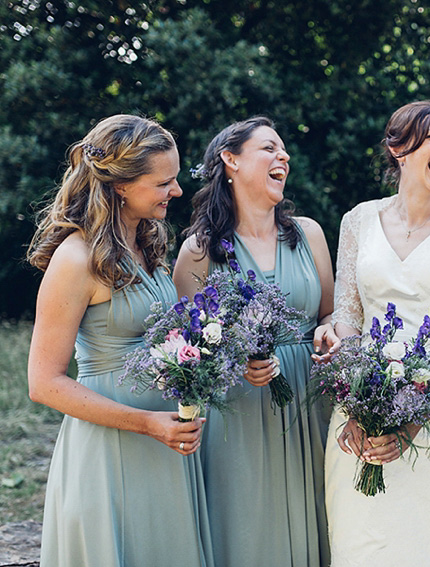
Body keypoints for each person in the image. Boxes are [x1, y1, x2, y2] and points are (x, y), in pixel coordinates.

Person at [27, 114, 213, 566]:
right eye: (163, 182)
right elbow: (44, 382)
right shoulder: (76, 259)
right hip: (112, 447)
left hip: (165, 440)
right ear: (120, 187)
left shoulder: (145, 242)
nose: (177, 191)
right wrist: (146, 423)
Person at [324, 100, 430, 566]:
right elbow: (348, 321)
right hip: (360, 411)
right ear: (399, 149)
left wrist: (415, 420)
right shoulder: (357, 221)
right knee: (361, 546)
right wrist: (356, 405)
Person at [173, 116, 337, 567]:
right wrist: (233, 360)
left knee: (322, 519)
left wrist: (328, 331)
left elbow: (329, 313)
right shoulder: (199, 252)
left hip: (309, 400)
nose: (283, 156)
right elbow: (189, 351)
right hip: (240, 411)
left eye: (283, 151)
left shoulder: (308, 234)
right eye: (269, 148)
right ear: (231, 160)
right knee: (248, 534)